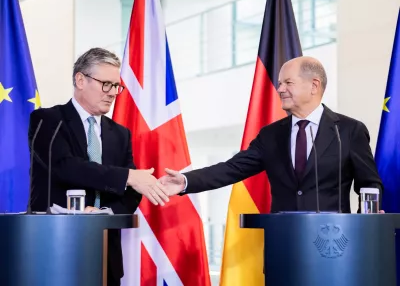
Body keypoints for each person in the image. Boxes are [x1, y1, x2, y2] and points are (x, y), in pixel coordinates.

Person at [159, 56, 384, 213]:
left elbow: (369, 183)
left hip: (334, 246)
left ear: (314, 86)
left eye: (288, 82)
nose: (280, 89)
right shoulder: (271, 135)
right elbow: (232, 169)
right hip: (282, 246)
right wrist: (186, 181)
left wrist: (365, 221)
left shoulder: (348, 130)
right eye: (279, 83)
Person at [28, 48, 169, 286]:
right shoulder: (47, 120)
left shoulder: (120, 134)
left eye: (116, 86)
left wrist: (106, 213)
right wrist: (127, 176)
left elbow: (132, 190)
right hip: (54, 247)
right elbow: (65, 166)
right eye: (106, 84)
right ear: (80, 80)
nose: (113, 93)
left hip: (106, 254)